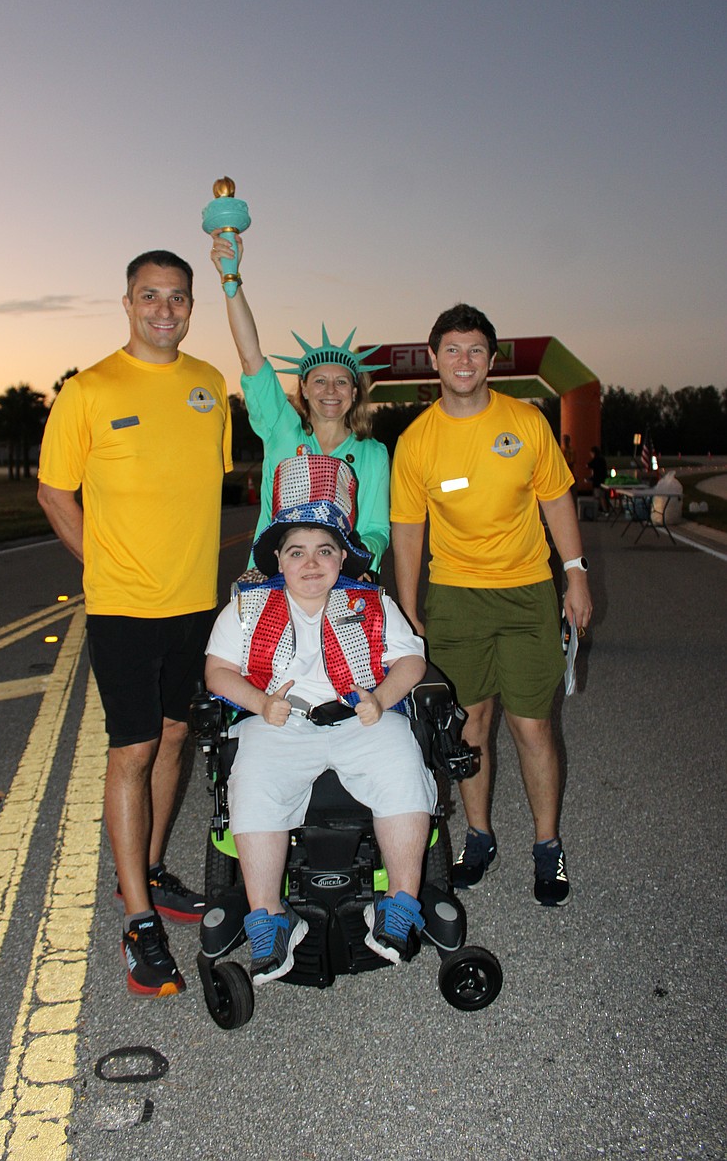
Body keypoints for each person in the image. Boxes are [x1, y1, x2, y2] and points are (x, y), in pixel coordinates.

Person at [38, 249, 233, 997]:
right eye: (150, 296)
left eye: (178, 297)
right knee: (135, 747)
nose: (164, 309)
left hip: (192, 602)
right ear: (126, 302)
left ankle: (145, 873)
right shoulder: (87, 390)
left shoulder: (208, 386)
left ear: (190, 306)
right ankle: (139, 923)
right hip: (122, 605)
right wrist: (105, 565)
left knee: (178, 736)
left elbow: (194, 486)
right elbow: (56, 494)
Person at [204, 454, 437, 984]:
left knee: (404, 764)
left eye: (324, 551)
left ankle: (400, 904)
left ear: (341, 557)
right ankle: (269, 916)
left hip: (360, 716)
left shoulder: (371, 602)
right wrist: (261, 703)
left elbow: (411, 660)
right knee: (255, 780)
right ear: (279, 560)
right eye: (297, 552)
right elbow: (217, 672)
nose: (311, 564)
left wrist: (381, 697)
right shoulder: (247, 606)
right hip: (278, 721)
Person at [390, 304, 592, 908]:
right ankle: (478, 839)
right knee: (471, 726)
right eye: (452, 349)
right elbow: (407, 530)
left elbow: (556, 499)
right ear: (433, 359)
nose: (464, 360)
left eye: (476, 350)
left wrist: (575, 574)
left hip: (528, 591)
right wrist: (408, 608)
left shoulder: (525, 421)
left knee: (533, 725)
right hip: (455, 597)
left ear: (491, 359)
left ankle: (547, 847)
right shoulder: (417, 439)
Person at [209, 230, 389, 572]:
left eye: (341, 383)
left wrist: (359, 561)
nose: (330, 391)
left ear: (354, 392)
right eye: (319, 381)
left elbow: (377, 528)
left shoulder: (373, 454)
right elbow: (251, 359)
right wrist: (231, 282)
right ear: (303, 389)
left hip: (344, 586)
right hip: (272, 584)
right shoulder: (283, 431)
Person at [587, 445, 609, 515]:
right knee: (602, 495)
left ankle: (603, 510)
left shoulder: (596, 460)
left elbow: (589, 465)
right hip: (603, 479)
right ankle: (603, 509)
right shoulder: (602, 459)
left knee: (599, 496)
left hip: (597, 481)